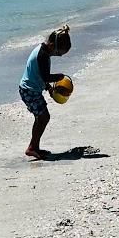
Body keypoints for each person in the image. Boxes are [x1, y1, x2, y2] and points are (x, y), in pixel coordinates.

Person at [19, 24, 72, 159]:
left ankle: (34, 147)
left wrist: (48, 87)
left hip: (33, 89)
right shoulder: (42, 55)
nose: (58, 56)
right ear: (52, 45)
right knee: (43, 117)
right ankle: (32, 147)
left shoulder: (44, 51)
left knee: (42, 117)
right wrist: (59, 76)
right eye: (59, 53)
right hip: (29, 90)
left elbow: (39, 75)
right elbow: (45, 76)